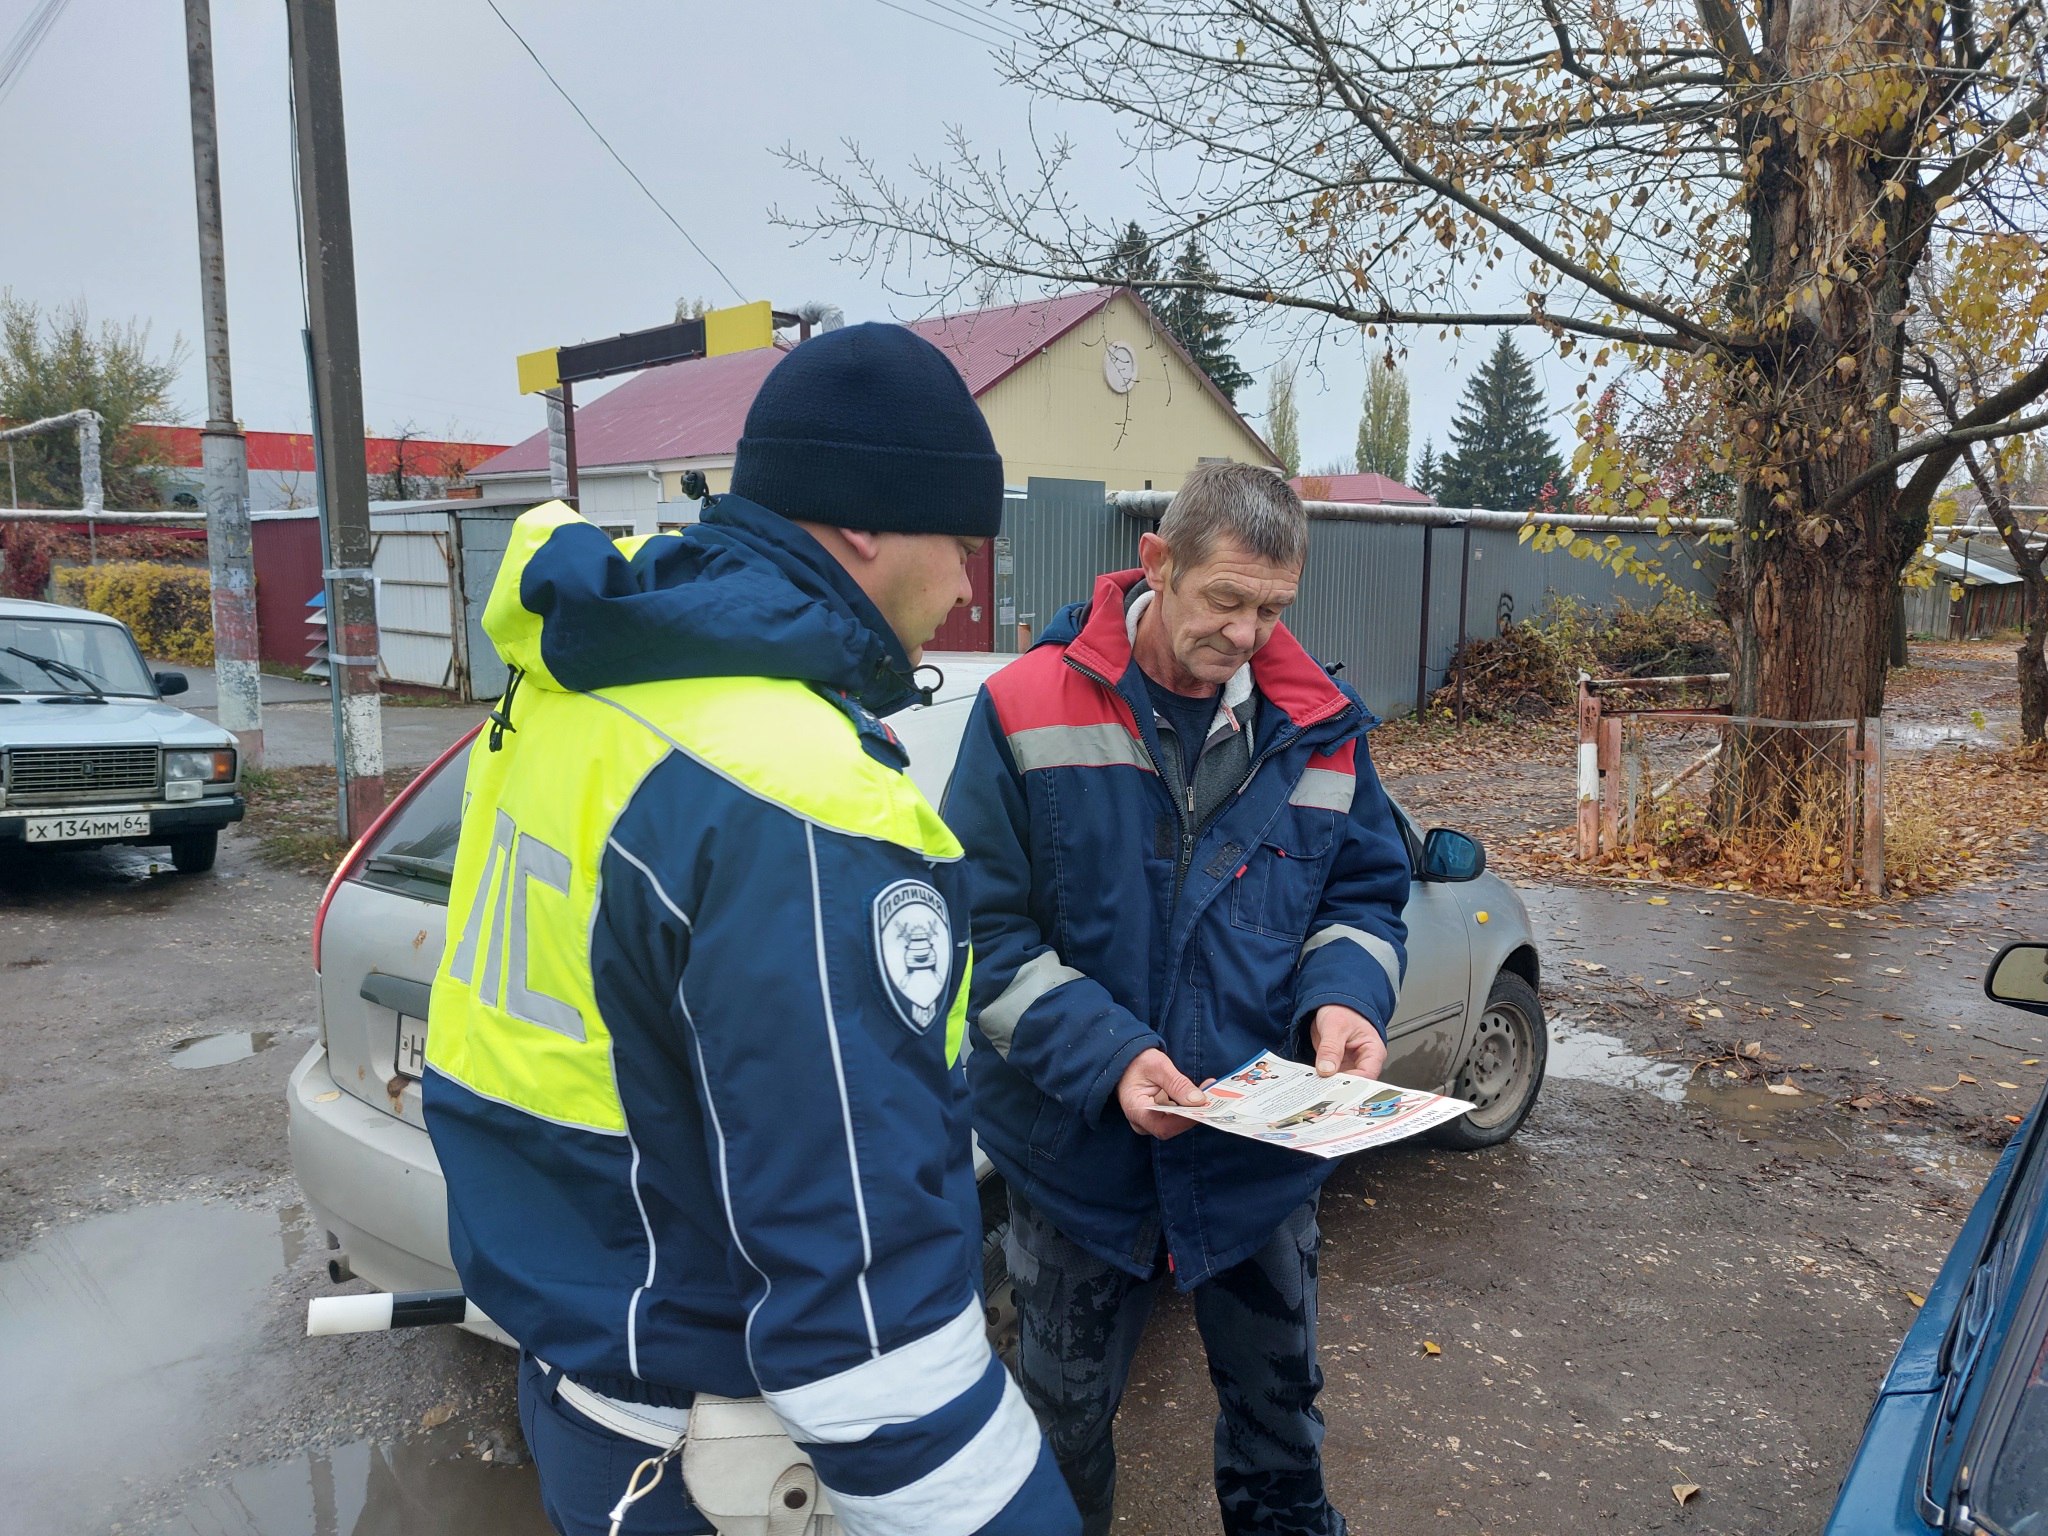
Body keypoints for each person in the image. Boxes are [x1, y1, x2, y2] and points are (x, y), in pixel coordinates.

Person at [423, 324, 1079, 1536]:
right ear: (865, 524)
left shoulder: (591, 680)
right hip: (703, 1442)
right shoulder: (792, 792)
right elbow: (863, 1301)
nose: (969, 588)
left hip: (586, 1370)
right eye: (959, 542)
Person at [945, 462, 1411, 1536]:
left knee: (1280, 1425)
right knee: (1056, 1433)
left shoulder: (1321, 727)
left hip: (1254, 1158)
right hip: (1075, 1160)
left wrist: (1344, 1000)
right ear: (1156, 563)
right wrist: (1107, 1057)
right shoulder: (1022, 708)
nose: (1248, 635)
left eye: (1273, 609)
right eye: (1225, 601)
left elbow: (1364, 893)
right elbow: (979, 930)